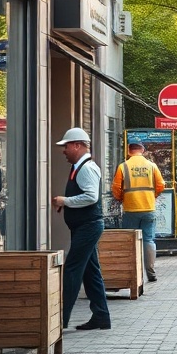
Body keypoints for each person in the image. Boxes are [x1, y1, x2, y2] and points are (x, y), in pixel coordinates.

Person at [52, 127, 111, 330]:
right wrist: (67, 203)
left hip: (88, 226)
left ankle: (60, 320)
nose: (64, 150)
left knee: (72, 270)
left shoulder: (86, 168)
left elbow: (90, 196)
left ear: (77, 145)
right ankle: (101, 316)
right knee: (90, 272)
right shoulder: (80, 167)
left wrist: (65, 201)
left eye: (66, 146)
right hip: (85, 226)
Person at [112, 136, 166, 282]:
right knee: (148, 239)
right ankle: (151, 272)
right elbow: (161, 185)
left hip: (130, 208)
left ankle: (133, 274)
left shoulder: (123, 166)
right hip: (148, 207)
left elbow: (116, 188)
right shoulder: (151, 166)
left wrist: (121, 198)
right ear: (142, 150)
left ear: (129, 150)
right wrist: (151, 195)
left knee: (131, 241)